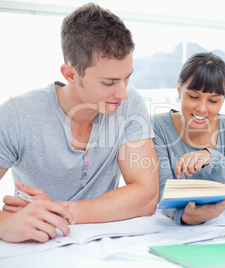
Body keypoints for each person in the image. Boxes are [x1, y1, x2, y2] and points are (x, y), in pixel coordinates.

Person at [0, 3, 159, 243]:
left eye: (127, 78)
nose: (123, 93)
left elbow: (146, 196)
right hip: (35, 246)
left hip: (103, 247)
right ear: (70, 74)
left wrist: (61, 211)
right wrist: (4, 224)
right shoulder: (18, 114)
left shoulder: (129, 105)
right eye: (109, 82)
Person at [152, 52, 225, 225]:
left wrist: (212, 158)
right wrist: (185, 216)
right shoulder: (158, 126)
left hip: (224, 228)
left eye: (213, 100)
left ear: (223, 100)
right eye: (194, 97)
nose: (202, 108)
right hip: (175, 231)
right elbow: (161, 193)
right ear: (179, 90)